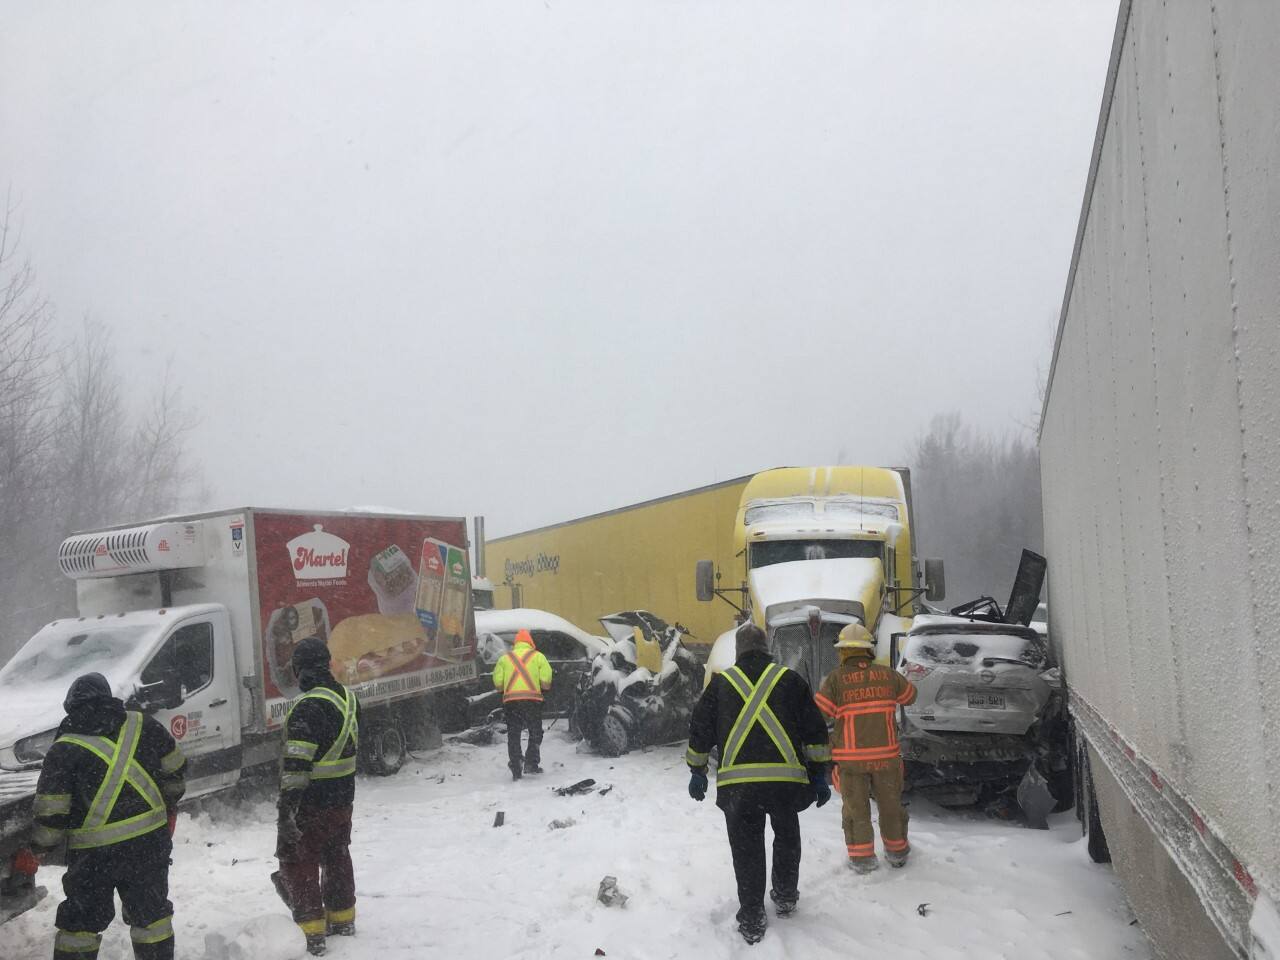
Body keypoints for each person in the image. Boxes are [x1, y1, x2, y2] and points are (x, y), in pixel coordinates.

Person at [686, 623, 831, 944]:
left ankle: (752, 917)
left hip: (740, 788)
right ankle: (785, 895)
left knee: (747, 849)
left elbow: (700, 730)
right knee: (787, 838)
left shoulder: (721, 685)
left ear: (738, 651)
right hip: (784, 784)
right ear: (767, 649)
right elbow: (814, 730)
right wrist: (820, 773)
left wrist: (697, 771)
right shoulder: (790, 681)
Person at [31, 672, 187, 960]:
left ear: (71, 706)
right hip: (147, 845)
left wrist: (40, 846)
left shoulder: (63, 748)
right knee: (151, 917)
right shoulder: (144, 724)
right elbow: (176, 772)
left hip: (93, 858)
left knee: (80, 925)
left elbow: (51, 813)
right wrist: (165, 804)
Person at [273, 638, 360, 956]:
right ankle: (343, 919)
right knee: (337, 855)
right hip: (342, 798)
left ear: (300, 670)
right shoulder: (348, 699)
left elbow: (296, 766)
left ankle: (311, 933)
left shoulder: (307, 707)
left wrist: (286, 810)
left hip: (311, 803)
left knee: (299, 861)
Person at [814, 622, 917, 874]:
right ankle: (897, 852)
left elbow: (820, 715)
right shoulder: (888, 675)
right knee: (891, 806)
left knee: (856, 810)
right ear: (868, 649)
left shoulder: (835, 680)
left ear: (843, 651)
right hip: (886, 758)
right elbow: (910, 697)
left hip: (851, 762)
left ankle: (862, 858)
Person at [491, 628, 552, 780]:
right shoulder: (538, 657)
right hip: (532, 701)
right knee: (535, 732)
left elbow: (498, 684)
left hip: (511, 703)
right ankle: (531, 763)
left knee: (514, 733)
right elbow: (546, 683)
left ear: (516, 643)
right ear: (530, 643)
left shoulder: (505, 658)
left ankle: (516, 763)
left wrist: (508, 688)